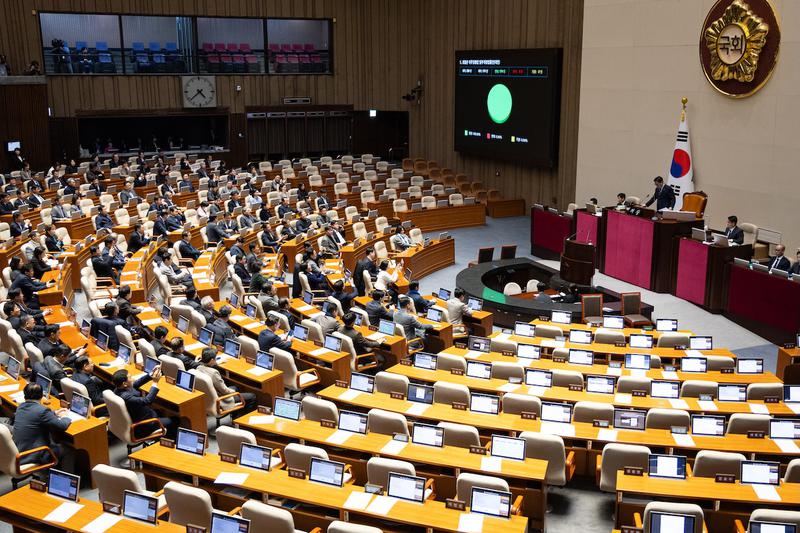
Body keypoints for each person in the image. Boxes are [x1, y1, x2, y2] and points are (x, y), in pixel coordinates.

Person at [13, 383, 72, 465]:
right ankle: (63, 477)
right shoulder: (42, 411)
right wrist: (65, 417)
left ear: (25, 395)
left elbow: (34, 414)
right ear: (41, 395)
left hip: (20, 450)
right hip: (34, 454)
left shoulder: (20, 407)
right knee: (69, 451)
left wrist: (54, 412)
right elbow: (63, 425)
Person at [112, 367, 177, 439]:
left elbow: (135, 384)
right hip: (146, 424)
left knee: (161, 411)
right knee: (174, 420)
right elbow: (147, 400)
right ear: (124, 384)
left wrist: (151, 375)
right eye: (130, 378)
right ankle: (169, 443)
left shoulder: (117, 389)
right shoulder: (126, 397)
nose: (133, 378)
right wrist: (155, 383)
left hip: (142, 415)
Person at [197, 347, 257, 413]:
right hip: (220, 400)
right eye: (215, 359)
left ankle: (235, 414)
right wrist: (234, 391)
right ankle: (241, 418)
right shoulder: (214, 373)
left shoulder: (198, 368)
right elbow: (225, 391)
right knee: (252, 396)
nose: (216, 360)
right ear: (211, 360)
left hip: (208, 398)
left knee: (236, 387)